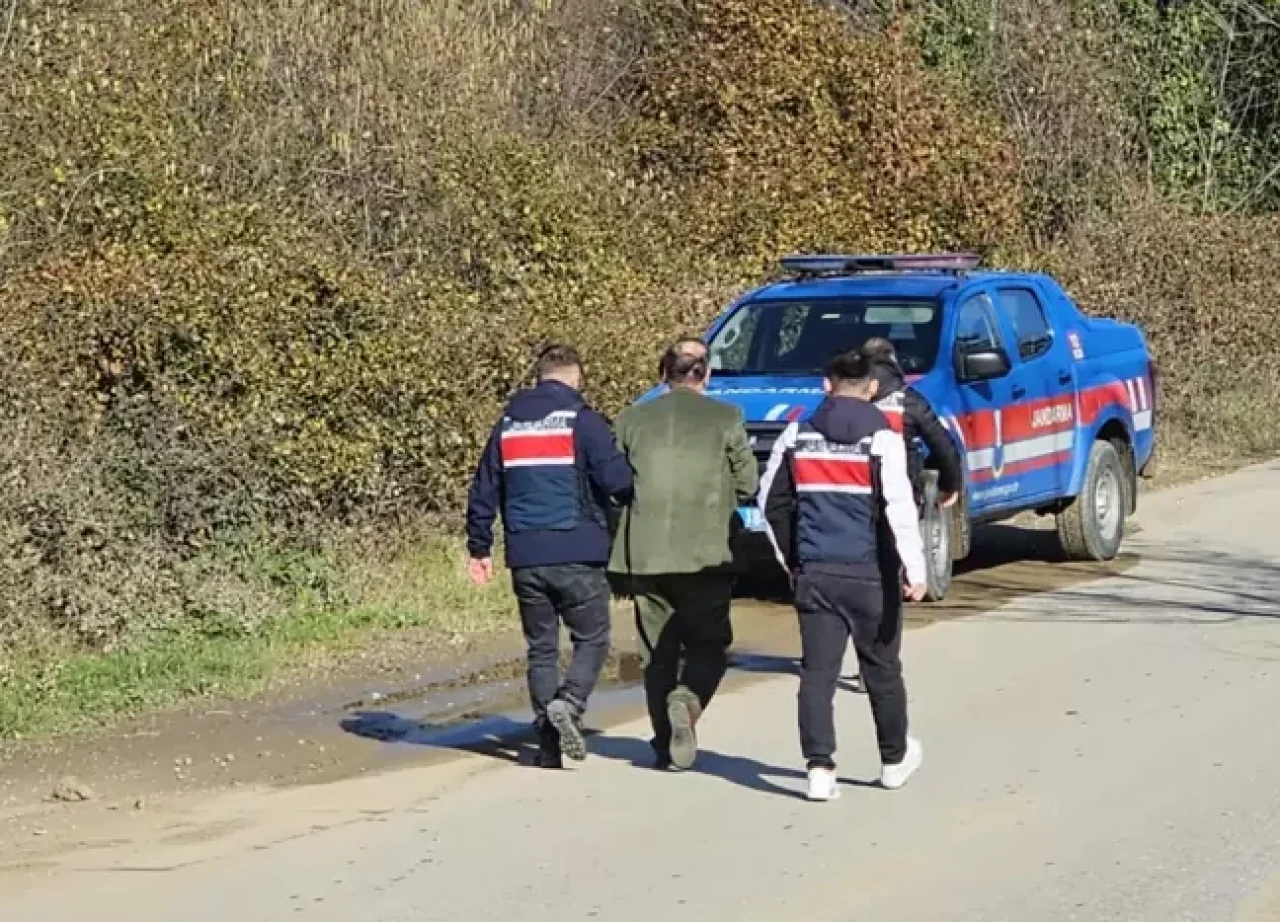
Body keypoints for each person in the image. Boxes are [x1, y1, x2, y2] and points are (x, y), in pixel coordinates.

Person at [758, 349, 929, 802]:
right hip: (872, 575)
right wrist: (915, 569)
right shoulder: (883, 438)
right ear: (872, 388)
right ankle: (893, 760)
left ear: (826, 386)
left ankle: (819, 769)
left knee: (817, 674)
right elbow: (900, 509)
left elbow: (768, 503)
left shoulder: (796, 435)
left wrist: (793, 562)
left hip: (815, 572)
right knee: (882, 670)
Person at [465, 343, 634, 769]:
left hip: (525, 555)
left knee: (542, 648)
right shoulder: (584, 422)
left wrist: (479, 547)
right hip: (578, 549)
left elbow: (484, 489)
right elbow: (618, 482)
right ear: (575, 377)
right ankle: (571, 704)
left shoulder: (506, 426)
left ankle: (547, 747)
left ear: (538, 377)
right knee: (592, 638)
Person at [609, 337, 758, 770]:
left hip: (645, 554)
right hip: (706, 554)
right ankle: (687, 701)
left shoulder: (632, 419)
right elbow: (748, 483)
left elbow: (615, 486)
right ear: (705, 375)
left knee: (658, 651)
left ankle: (663, 743)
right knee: (710, 643)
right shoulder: (727, 416)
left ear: (663, 375)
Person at [858, 337, 963, 509]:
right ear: (893, 360)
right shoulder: (910, 400)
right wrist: (950, 484)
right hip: (900, 493)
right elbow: (943, 446)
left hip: (853, 496)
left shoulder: (843, 399)